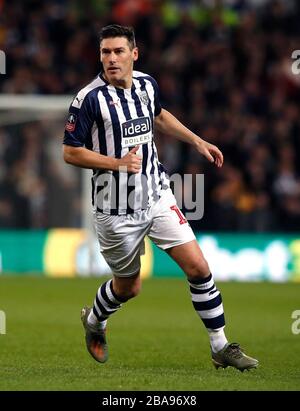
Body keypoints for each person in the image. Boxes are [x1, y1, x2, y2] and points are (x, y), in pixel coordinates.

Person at [63, 24, 258, 371]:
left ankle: (220, 345)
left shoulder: (146, 84)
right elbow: (70, 152)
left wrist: (197, 140)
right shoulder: (89, 99)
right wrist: (116, 163)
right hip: (115, 211)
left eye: (119, 51)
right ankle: (94, 319)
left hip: (156, 195)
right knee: (128, 288)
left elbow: (159, 117)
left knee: (199, 267)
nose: (111, 59)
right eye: (105, 52)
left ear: (133, 54)